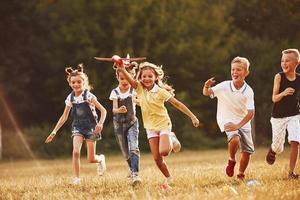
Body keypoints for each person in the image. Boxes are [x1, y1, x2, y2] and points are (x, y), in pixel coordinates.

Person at [115, 61, 200, 187]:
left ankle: (171, 137)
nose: (147, 79)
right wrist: (122, 69)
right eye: (144, 76)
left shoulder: (160, 91)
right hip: (150, 127)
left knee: (164, 151)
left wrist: (192, 116)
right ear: (140, 78)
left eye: (150, 76)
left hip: (163, 124)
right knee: (157, 158)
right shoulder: (139, 89)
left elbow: (177, 104)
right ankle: (168, 178)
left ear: (156, 77)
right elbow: (131, 81)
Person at [45, 64, 107, 185]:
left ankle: (100, 159)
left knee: (91, 159)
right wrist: (54, 131)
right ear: (70, 83)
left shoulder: (89, 96)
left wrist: (100, 124)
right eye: (73, 82)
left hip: (91, 128)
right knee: (76, 152)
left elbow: (103, 110)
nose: (76, 84)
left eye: (79, 82)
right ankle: (77, 179)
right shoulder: (70, 98)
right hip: (78, 127)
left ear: (84, 82)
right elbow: (64, 116)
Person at [202, 56, 254, 181]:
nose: (235, 72)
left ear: (246, 73)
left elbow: (250, 113)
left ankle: (241, 174)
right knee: (235, 139)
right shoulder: (225, 85)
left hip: (243, 121)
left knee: (247, 152)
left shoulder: (248, 91)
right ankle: (231, 160)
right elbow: (206, 93)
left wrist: (239, 125)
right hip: (226, 118)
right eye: (233, 70)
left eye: (239, 70)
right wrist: (205, 86)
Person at [266, 48, 300, 179]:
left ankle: (291, 173)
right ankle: (273, 149)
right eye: (282, 61)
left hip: (294, 115)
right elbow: (274, 98)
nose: (284, 63)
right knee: (278, 147)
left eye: (287, 60)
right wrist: (284, 93)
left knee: (295, 140)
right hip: (278, 117)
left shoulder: (299, 79)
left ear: (296, 63)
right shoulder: (279, 76)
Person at [109, 62, 142, 185]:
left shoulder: (134, 90)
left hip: (132, 122)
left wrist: (137, 101)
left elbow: (140, 102)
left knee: (134, 147)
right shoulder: (115, 92)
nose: (124, 81)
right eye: (121, 78)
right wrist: (119, 110)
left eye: (126, 78)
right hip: (119, 124)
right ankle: (131, 168)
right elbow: (114, 110)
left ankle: (135, 174)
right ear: (117, 77)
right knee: (125, 152)